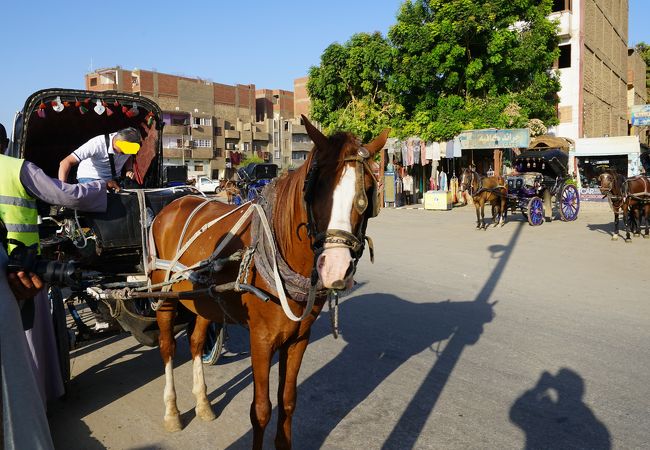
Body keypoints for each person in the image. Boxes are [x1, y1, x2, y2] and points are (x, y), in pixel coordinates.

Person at [1, 122, 109, 449]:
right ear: (6, 143)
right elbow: (64, 194)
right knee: (26, 348)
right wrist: (100, 190)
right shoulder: (17, 168)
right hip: (21, 273)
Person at [58, 127, 142, 186]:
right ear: (117, 141)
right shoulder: (96, 144)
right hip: (90, 178)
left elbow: (129, 156)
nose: (126, 153)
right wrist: (62, 189)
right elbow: (65, 162)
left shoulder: (129, 145)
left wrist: (129, 170)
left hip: (115, 180)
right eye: (124, 151)